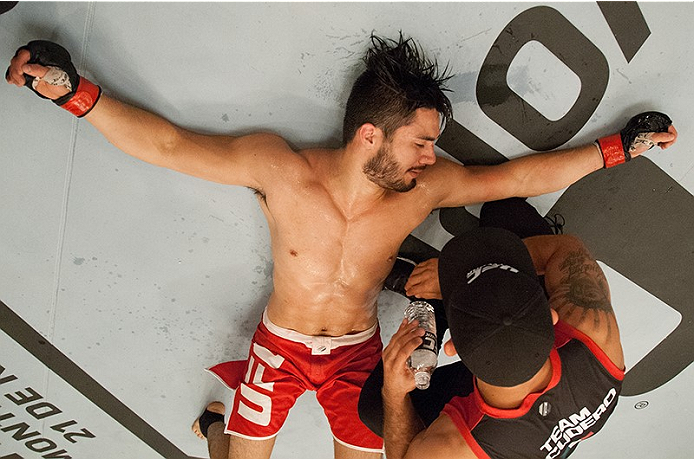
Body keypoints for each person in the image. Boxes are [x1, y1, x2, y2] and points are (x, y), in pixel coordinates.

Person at [5, 33, 675, 459]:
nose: (430, 157)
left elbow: (519, 176)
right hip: (282, 346)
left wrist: (619, 150)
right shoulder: (281, 170)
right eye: (420, 141)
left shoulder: (419, 189)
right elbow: (170, 145)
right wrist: (75, 94)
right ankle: (219, 430)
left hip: (358, 349)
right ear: (370, 136)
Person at [358, 198, 626, 459]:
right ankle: (463, 293)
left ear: (453, 348)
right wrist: (468, 273)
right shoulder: (592, 331)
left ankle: (434, 305)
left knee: (376, 408)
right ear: (551, 315)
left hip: (491, 431)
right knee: (507, 213)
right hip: (536, 390)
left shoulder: (452, 447)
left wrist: (394, 393)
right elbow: (566, 248)